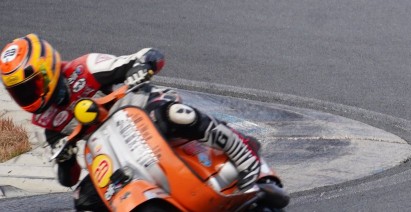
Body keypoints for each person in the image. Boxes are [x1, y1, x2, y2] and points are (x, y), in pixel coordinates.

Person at [0, 34, 262, 212]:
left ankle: (244, 156)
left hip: (141, 112)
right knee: (83, 199)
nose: (27, 96)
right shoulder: (48, 122)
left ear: (48, 70)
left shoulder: (85, 68)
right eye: (19, 92)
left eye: (31, 86)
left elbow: (150, 55)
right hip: (112, 152)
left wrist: (141, 67)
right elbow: (69, 177)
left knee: (178, 114)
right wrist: (65, 159)